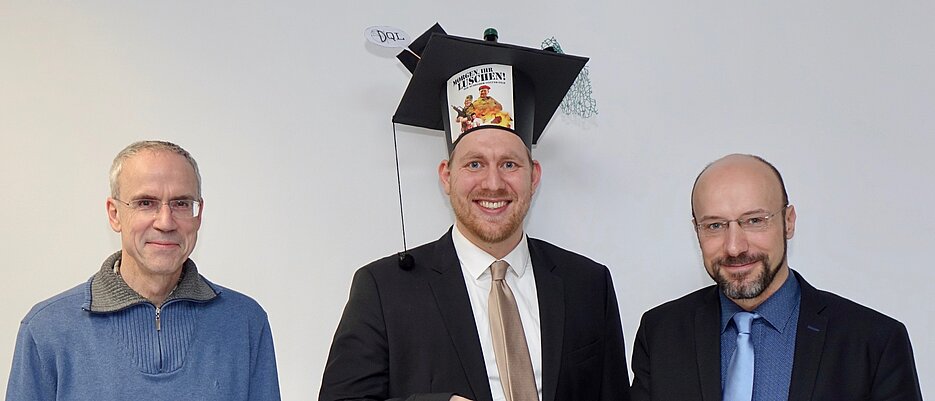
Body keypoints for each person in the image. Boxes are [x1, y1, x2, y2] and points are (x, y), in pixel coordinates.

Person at [320, 26, 629, 401]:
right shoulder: (384, 290)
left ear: (534, 176)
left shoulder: (588, 285)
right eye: (474, 164)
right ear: (447, 176)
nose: (494, 184)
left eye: (510, 164)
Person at [629, 154, 922, 400]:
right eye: (715, 225)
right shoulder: (660, 333)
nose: (735, 247)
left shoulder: (873, 342)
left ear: (788, 222)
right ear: (697, 231)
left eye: (754, 220)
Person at [5, 141, 281, 401]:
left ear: (198, 214)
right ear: (114, 214)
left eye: (181, 203)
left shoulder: (245, 323)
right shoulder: (47, 329)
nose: (165, 222)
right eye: (146, 203)